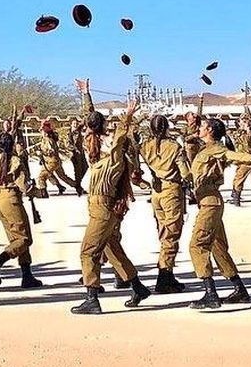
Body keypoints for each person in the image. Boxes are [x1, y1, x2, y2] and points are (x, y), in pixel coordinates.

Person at [70, 78, 150, 315]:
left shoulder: (115, 157)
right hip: (98, 206)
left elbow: (119, 135)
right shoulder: (94, 150)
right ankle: (137, 287)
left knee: (88, 251)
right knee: (112, 249)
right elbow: (92, 121)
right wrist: (86, 93)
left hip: (104, 206)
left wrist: (127, 116)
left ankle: (92, 298)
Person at [187, 117, 251, 309]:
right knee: (217, 247)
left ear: (209, 130)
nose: (198, 128)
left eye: (202, 126)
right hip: (208, 202)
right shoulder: (204, 148)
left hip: (210, 203)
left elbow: (231, 155)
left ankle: (210, 294)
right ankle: (239, 289)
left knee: (197, 246)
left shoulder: (215, 148)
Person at [0, 108, 44, 288]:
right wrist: (40, 192)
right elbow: (25, 187)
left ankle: (27, 275)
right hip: (11, 198)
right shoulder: (15, 161)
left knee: (15, 237)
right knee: (25, 239)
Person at [140, 114, 190, 293]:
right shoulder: (174, 146)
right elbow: (185, 173)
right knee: (172, 234)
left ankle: (166, 272)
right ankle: (164, 276)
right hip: (171, 192)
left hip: (156, 192)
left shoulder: (145, 146)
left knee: (163, 232)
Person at [67, 118, 88, 193]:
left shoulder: (78, 131)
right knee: (78, 171)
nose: (75, 125)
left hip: (81, 153)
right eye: (74, 124)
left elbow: (83, 124)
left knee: (85, 168)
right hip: (74, 155)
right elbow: (68, 144)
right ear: (71, 124)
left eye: (76, 123)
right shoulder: (69, 133)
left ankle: (80, 184)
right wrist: (75, 150)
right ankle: (78, 187)